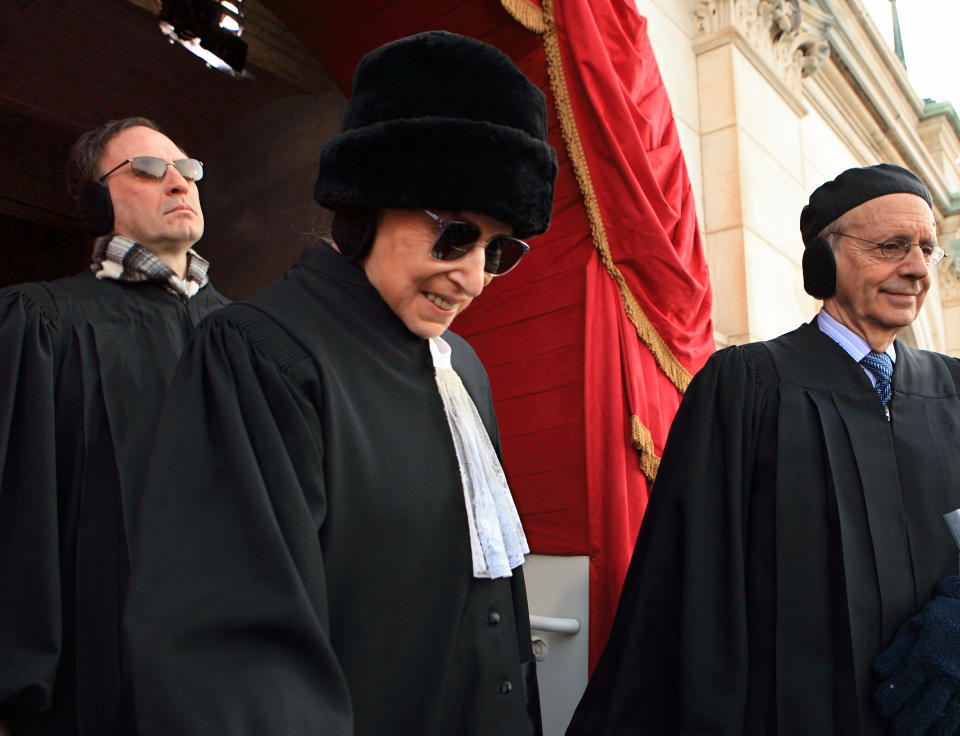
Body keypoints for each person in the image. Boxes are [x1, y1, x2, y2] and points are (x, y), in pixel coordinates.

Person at [124, 31, 558, 736]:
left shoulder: (465, 370)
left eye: (499, 250)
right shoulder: (259, 354)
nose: (474, 277)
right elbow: (239, 667)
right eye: (454, 235)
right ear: (369, 203)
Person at [566, 163, 960, 735]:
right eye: (891, 246)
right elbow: (686, 581)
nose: (918, 269)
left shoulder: (954, 392)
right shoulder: (748, 386)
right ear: (824, 260)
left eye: (927, 248)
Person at [0, 117, 228, 735]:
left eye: (189, 168)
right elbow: (19, 510)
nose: (179, 182)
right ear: (99, 201)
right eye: (150, 169)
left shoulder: (250, 336)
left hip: (238, 673)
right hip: (103, 673)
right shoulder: (43, 322)